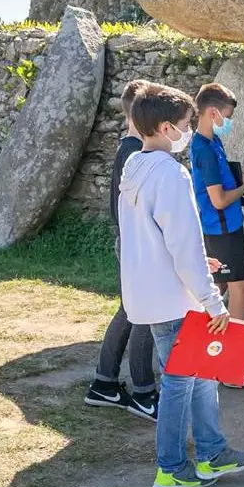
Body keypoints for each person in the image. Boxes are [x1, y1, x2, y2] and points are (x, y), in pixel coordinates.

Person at [118, 84, 244, 487]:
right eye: (183, 125)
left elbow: (156, 237)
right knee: (183, 380)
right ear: (165, 127)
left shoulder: (135, 166)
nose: (187, 132)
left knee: (198, 375)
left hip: (152, 290)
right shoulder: (171, 173)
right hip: (174, 298)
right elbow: (182, 242)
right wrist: (213, 300)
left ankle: (211, 454)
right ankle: (173, 467)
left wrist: (202, 264)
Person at [190, 82, 244, 389]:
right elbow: (219, 199)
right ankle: (235, 367)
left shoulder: (212, 143)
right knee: (239, 292)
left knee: (219, 292)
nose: (229, 121)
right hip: (221, 230)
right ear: (212, 112)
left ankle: (207, 358)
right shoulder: (204, 148)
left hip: (225, 228)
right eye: (227, 115)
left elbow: (228, 181)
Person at [84, 79, 158, 421]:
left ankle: (104, 382)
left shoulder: (128, 147)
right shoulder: (135, 152)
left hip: (130, 240)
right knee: (143, 313)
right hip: (136, 241)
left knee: (130, 310)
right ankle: (144, 392)